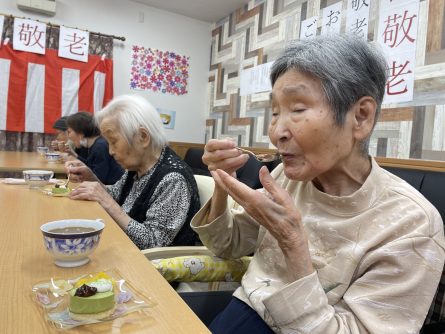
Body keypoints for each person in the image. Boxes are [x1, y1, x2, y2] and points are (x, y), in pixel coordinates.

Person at [191, 34, 445, 333]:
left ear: (360, 117)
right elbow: (226, 245)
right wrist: (223, 183)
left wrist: (292, 242)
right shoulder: (285, 177)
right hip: (241, 312)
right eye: (275, 112)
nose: (276, 132)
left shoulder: (412, 225)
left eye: (297, 109)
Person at [66, 95, 200, 249]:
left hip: (151, 264)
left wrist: (108, 203)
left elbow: (153, 243)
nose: (110, 151)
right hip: (126, 245)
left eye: (114, 141)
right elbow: (115, 194)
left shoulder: (173, 178)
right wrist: (92, 178)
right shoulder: (138, 167)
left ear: (143, 137)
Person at [66, 111, 124, 185]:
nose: (68, 136)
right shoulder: (93, 145)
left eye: (69, 132)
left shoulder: (100, 146)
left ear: (80, 132)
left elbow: (99, 178)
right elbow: (90, 165)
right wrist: (76, 159)